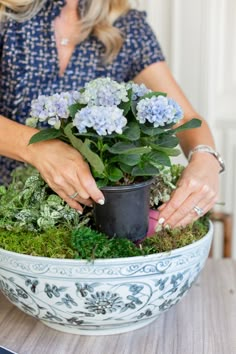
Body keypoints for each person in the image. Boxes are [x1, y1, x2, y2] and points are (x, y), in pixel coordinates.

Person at [0, 0, 224, 229]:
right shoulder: (6, 14)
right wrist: (38, 147)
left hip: (85, 220)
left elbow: (185, 119)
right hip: (7, 203)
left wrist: (206, 159)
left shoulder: (127, 27)